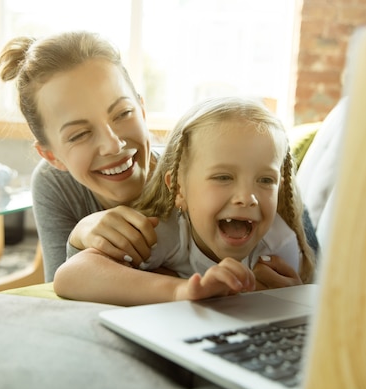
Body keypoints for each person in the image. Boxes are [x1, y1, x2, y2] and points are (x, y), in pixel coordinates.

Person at [54, 96, 316, 305]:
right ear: (179, 189)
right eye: (223, 177)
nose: (247, 198)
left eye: (265, 180)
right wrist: (182, 291)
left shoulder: (278, 244)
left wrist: (270, 299)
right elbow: (71, 275)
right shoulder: (169, 229)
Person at [0, 31, 159, 282]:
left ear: (142, 110)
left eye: (123, 113)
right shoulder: (55, 183)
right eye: (80, 134)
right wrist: (78, 237)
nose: (112, 145)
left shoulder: (192, 170)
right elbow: (61, 298)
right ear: (52, 157)